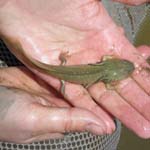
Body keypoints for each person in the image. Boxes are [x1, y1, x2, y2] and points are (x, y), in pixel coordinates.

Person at [0, 0, 149, 146]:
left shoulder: (105, 63)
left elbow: (106, 59)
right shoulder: (108, 79)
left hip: (65, 68)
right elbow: (109, 87)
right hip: (63, 75)